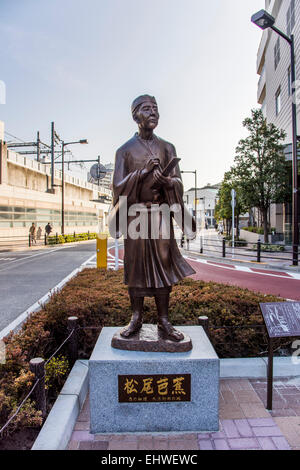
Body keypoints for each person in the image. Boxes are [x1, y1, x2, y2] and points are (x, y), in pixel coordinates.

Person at [110, 94, 196, 342]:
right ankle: (136, 317)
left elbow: (179, 182)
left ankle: (164, 320)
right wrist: (142, 173)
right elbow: (117, 187)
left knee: (163, 263)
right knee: (135, 267)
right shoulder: (124, 151)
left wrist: (169, 182)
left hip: (160, 215)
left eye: (155, 109)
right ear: (135, 115)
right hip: (136, 216)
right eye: (147, 109)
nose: (153, 113)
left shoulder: (167, 147)